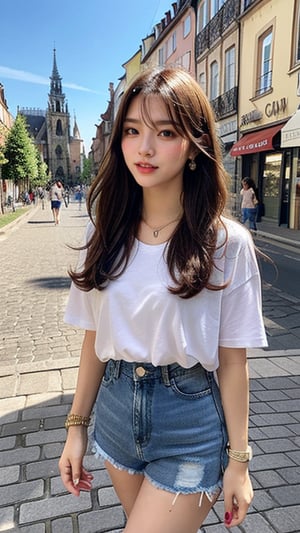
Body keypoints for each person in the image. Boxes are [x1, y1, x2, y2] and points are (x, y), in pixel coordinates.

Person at [59, 67, 267, 532]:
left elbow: (234, 362)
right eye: (132, 131)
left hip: (189, 422)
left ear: (193, 144)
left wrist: (240, 461)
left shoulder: (226, 243)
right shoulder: (103, 230)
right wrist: (76, 427)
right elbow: (95, 336)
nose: (144, 148)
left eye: (165, 132)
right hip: (114, 414)